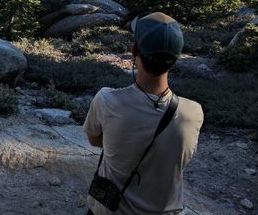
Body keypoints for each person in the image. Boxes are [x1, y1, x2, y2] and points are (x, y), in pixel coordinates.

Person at [83, 12, 204, 215]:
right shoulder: (193, 112)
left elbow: (94, 139)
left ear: (134, 51)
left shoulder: (107, 100)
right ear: (176, 59)